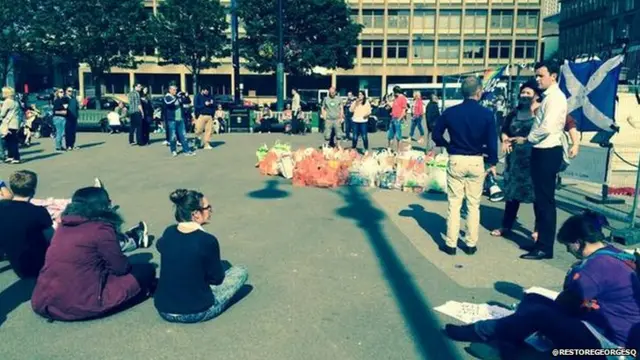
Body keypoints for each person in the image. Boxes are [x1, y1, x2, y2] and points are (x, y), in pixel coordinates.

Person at [445, 211, 640, 357]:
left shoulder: (597, 265)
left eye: (567, 245)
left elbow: (566, 303)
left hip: (610, 346)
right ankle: (509, 333)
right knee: (533, 299)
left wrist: (573, 274)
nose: (568, 250)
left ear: (579, 242)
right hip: (607, 329)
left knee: (539, 313)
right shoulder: (613, 253)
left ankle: (482, 331)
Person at [31, 186, 156, 321]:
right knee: (146, 270)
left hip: (43, 302)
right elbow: (121, 268)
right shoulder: (101, 229)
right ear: (102, 205)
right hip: (78, 306)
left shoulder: (63, 226)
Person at [491, 81, 581, 245]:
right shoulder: (514, 113)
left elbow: (569, 124)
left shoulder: (545, 110)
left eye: (528, 93)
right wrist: (504, 139)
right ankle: (506, 226)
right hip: (516, 162)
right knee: (512, 195)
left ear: (536, 95)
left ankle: (538, 229)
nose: (524, 96)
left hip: (537, 158)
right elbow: (504, 130)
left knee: (538, 197)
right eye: (522, 93)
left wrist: (575, 144)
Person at [154, 189, 249, 323]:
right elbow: (216, 280)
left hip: (164, 309)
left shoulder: (169, 232)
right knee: (241, 271)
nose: (210, 210)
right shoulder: (207, 240)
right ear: (196, 214)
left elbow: (160, 246)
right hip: (197, 311)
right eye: (207, 208)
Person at [432, 77, 498, 256]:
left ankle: (451, 244)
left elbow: (436, 134)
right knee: (473, 204)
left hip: (456, 158)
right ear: (479, 92)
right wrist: (492, 161)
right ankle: (470, 244)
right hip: (477, 160)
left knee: (454, 203)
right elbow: (492, 142)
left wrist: (446, 144)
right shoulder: (487, 114)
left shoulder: (450, 112)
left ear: (463, 92)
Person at [509, 60, 567, 260]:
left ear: (553, 76)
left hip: (547, 150)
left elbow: (547, 127)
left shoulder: (555, 99)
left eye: (541, 75)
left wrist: (527, 139)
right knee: (541, 201)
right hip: (541, 150)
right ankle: (540, 242)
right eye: (536, 75)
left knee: (545, 202)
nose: (537, 79)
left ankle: (544, 247)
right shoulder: (547, 97)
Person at [0, 170, 54, 278]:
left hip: (12, 257)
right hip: (35, 265)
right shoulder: (38, 211)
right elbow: (51, 237)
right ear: (33, 191)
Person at [164, 85, 195, 157]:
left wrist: (186, 96)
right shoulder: (167, 97)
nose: (175, 91)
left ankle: (186, 151)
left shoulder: (177, 97)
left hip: (180, 119)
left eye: (176, 90)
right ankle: (173, 150)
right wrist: (177, 97)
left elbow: (187, 101)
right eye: (174, 90)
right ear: (170, 90)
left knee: (183, 136)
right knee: (173, 136)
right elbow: (169, 104)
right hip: (172, 120)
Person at [1, 86, 23, 164]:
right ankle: (11, 156)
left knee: (11, 141)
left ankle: (16, 157)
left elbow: (2, 113)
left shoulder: (7, 102)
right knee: (11, 140)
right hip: (14, 123)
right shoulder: (15, 101)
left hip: (8, 124)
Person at [388, 86, 407, 152]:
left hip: (397, 119)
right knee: (390, 135)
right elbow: (392, 106)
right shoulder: (396, 98)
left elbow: (404, 110)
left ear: (396, 92)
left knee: (398, 136)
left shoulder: (403, 98)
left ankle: (398, 151)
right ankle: (389, 149)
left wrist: (399, 119)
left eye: (394, 92)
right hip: (393, 118)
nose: (393, 94)